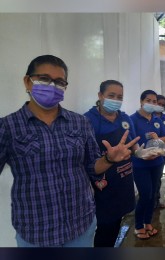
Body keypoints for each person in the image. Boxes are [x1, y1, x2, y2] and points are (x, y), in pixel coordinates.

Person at [0, 55, 138, 247]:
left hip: (80, 225)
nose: (52, 86)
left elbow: (92, 167)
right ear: (28, 81)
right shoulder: (8, 127)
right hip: (35, 230)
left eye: (59, 82)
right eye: (45, 79)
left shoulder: (79, 123)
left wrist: (108, 158)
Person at [84, 80, 137, 247]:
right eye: (111, 96)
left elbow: (134, 146)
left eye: (119, 97)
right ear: (100, 96)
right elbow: (85, 159)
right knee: (104, 228)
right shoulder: (87, 120)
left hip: (124, 180)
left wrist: (144, 152)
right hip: (102, 185)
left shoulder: (125, 118)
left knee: (116, 224)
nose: (116, 99)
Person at [130, 90, 165, 240]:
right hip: (140, 164)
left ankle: (148, 222)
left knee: (152, 195)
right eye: (148, 100)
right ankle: (138, 225)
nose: (151, 104)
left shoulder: (156, 119)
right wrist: (141, 153)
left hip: (157, 162)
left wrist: (158, 139)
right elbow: (132, 141)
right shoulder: (132, 119)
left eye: (154, 101)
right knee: (145, 194)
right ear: (141, 101)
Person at [152, 94, 165, 209]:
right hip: (149, 153)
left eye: (163, 105)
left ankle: (156, 201)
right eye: (159, 103)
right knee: (151, 180)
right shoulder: (149, 117)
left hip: (161, 153)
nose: (160, 106)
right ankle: (150, 203)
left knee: (158, 178)